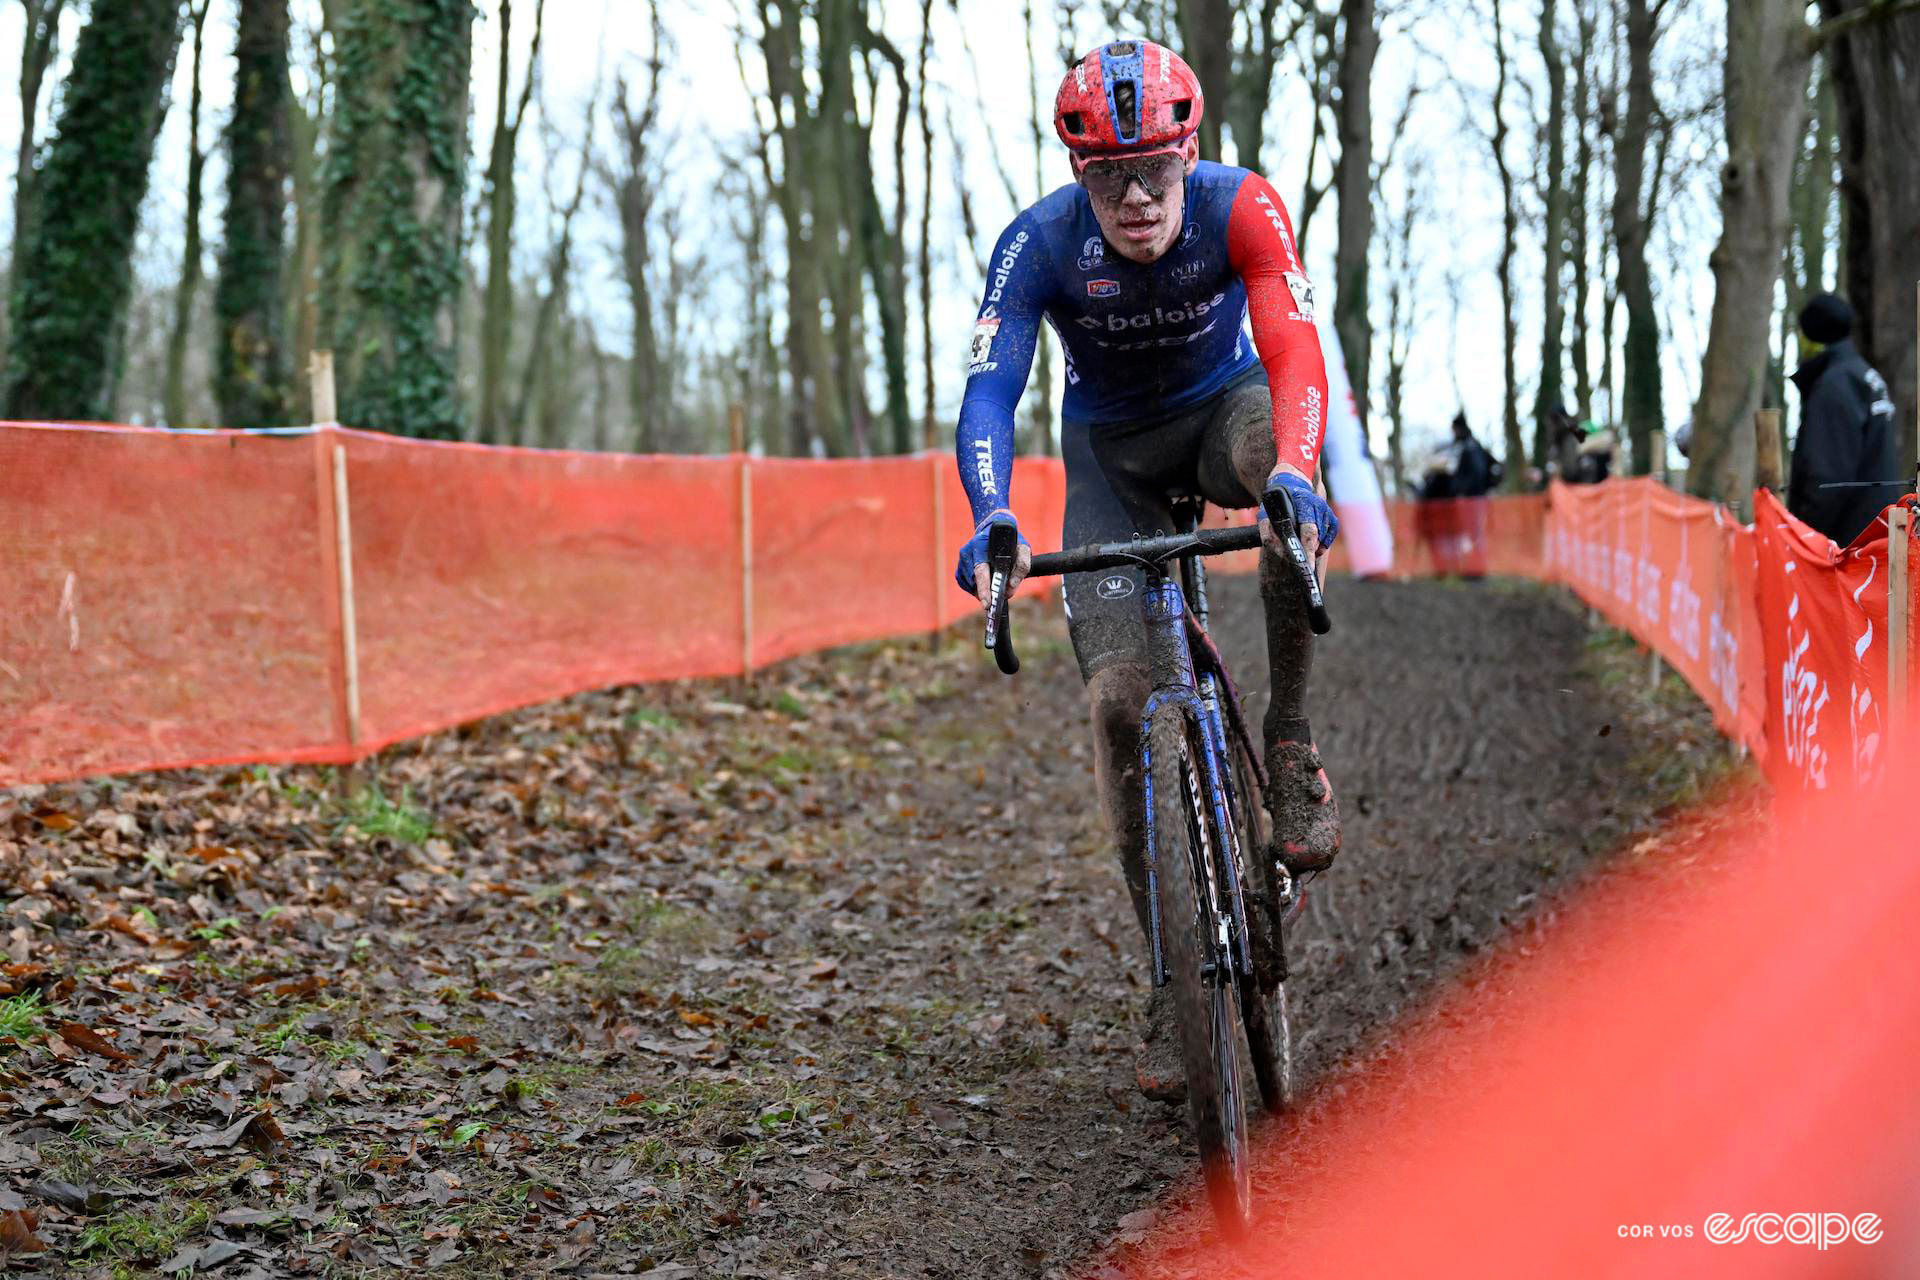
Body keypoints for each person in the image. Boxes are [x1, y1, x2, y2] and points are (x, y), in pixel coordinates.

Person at [949, 39, 1337, 1100]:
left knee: (1276, 490)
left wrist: (1296, 475)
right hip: (1110, 463)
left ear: (1190, 153)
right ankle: (1174, 981)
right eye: (1108, 176)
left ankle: (1290, 740)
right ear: (1079, 176)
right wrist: (992, 514)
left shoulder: (1243, 206)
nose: (1134, 198)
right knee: (1119, 703)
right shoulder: (1035, 245)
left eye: (1155, 170)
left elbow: (1296, 350)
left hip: (1227, 418)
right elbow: (990, 389)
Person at [1787, 292, 1899, 547]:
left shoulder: (1835, 385)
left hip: (1846, 547)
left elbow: (1827, 480)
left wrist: (1803, 539)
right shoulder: (1863, 375)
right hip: (1875, 538)